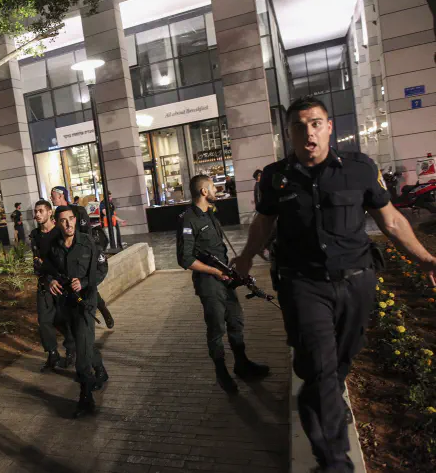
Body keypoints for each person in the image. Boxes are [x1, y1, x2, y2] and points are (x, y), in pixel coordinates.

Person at [231, 96, 436, 473]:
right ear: (289, 133)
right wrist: (246, 256)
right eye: (298, 126)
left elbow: (390, 221)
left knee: (339, 362)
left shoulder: (360, 168)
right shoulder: (275, 176)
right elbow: (264, 222)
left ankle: (325, 399)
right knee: (320, 368)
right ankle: (335, 461)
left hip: (357, 282)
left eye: (315, 123)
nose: (308, 132)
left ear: (329, 127)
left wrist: (424, 259)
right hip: (304, 284)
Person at [177, 175, 270, 394]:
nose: (216, 190)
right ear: (204, 191)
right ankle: (221, 373)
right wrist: (215, 272)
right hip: (209, 283)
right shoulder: (188, 219)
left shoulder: (210, 214)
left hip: (224, 279)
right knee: (217, 328)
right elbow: (185, 259)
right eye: (212, 187)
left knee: (236, 321)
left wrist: (228, 271)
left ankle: (242, 364)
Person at [46, 205, 109, 418]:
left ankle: (86, 398)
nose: (68, 223)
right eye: (63, 220)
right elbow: (47, 270)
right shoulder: (54, 245)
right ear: (57, 223)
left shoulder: (88, 242)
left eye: (71, 219)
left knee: (82, 354)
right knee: (84, 344)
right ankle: (100, 370)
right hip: (66, 305)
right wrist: (50, 280)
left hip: (85, 304)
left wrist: (84, 282)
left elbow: (102, 269)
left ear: (75, 219)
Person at [51, 186, 115, 329]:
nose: (51, 198)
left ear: (61, 196)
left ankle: (102, 310)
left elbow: (88, 233)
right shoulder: (56, 214)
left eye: (53, 196)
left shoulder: (78, 211)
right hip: (66, 256)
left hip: (82, 255)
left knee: (89, 287)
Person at [30, 199, 76, 370]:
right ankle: (52, 353)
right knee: (44, 320)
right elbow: (37, 261)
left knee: (65, 318)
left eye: (41, 211)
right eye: (36, 211)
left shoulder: (59, 232)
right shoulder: (35, 234)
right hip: (45, 282)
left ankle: (71, 350)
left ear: (50, 212)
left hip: (62, 283)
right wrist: (46, 276)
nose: (37, 214)